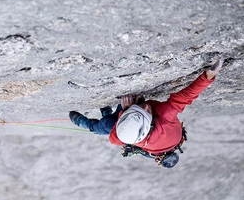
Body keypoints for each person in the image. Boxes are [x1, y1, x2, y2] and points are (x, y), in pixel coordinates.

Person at [69, 57, 224, 167]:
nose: (145, 106)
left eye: (142, 109)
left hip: (135, 126)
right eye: (144, 110)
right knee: (106, 124)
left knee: (104, 126)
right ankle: (103, 114)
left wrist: (126, 110)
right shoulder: (165, 116)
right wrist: (208, 76)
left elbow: (114, 139)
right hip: (154, 132)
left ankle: (87, 123)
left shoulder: (135, 140)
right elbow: (185, 96)